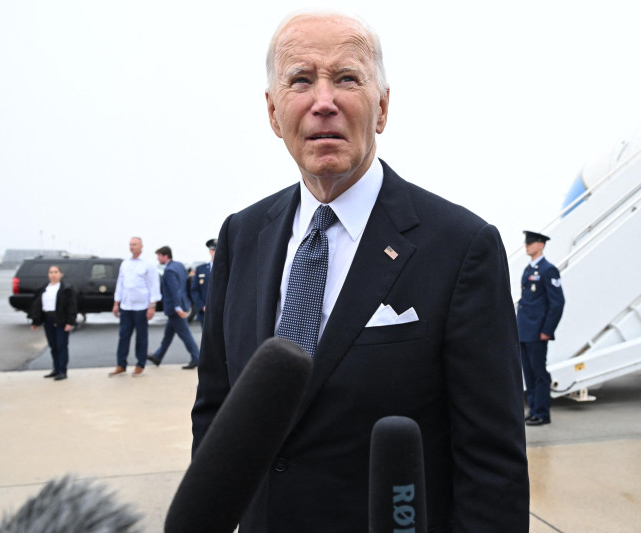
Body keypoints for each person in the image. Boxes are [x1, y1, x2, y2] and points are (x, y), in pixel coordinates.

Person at [191, 12, 529, 532]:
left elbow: (492, 464)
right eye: (300, 80)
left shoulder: (462, 248)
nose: (323, 101)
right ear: (273, 112)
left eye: (346, 78)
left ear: (383, 107)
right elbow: (216, 411)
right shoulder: (243, 235)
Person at [516, 231, 565, 426]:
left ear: (541, 245)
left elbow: (557, 303)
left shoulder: (548, 270)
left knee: (539, 373)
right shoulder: (528, 270)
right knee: (528, 373)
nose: (527, 245)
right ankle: (534, 409)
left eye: (531, 242)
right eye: (526, 242)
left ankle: (542, 413)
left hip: (537, 331)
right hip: (525, 330)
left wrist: (547, 330)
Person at [110, 236, 161, 377]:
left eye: (134, 244)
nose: (132, 247)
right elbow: (120, 285)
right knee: (123, 336)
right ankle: (121, 364)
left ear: (141, 246)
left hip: (141, 307)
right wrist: (116, 303)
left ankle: (140, 364)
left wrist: (152, 306)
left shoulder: (148, 264)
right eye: (130, 244)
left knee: (141, 337)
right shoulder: (125, 264)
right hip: (126, 306)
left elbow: (154, 285)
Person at [148, 246, 201, 369]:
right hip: (182, 304)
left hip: (175, 308)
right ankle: (158, 356)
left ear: (165, 256)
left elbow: (175, 290)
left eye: (159, 256)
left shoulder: (169, 270)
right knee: (168, 335)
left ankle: (196, 357)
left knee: (185, 334)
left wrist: (178, 308)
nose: (158, 259)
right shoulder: (179, 266)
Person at [28, 265, 78, 381]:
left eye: (56, 272)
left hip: (61, 319)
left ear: (61, 274)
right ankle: (55, 369)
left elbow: (72, 307)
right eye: (51, 272)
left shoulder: (66, 289)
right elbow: (37, 306)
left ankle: (62, 370)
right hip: (48, 319)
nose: (53, 274)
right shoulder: (44, 288)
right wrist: (35, 321)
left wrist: (70, 322)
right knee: (53, 346)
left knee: (61, 345)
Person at [189, 238, 216, 329]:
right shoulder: (201, 269)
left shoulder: (228, 269)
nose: (215, 252)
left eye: (217, 250)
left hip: (222, 312)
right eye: (213, 250)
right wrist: (202, 306)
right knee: (207, 341)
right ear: (210, 251)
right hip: (205, 312)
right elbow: (194, 290)